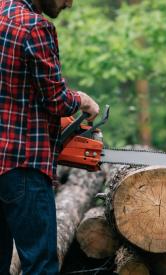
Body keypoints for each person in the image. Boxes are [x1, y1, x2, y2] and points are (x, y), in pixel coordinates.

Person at [0, 0, 99, 274]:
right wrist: (82, 100)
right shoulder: (34, 26)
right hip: (23, 166)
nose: (69, 3)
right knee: (40, 265)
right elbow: (56, 100)